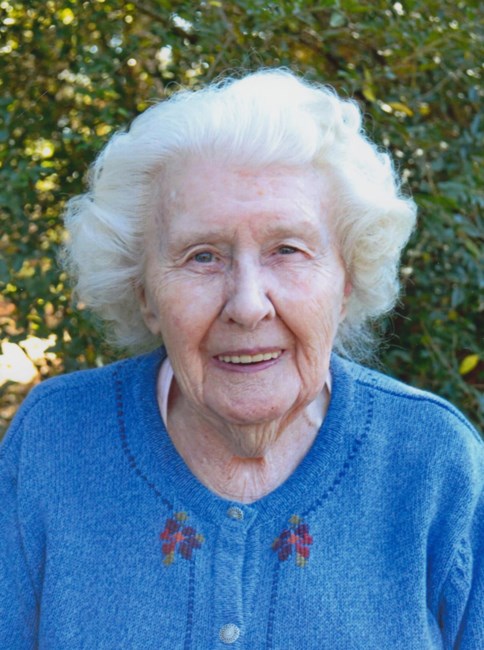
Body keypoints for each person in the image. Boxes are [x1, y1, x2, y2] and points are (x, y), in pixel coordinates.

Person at [1, 69, 482, 649]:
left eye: (288, 250)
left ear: (346, 282)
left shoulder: (433, 462)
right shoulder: (54, 441)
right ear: (145, 293)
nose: (248, 305)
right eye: (202, 256)